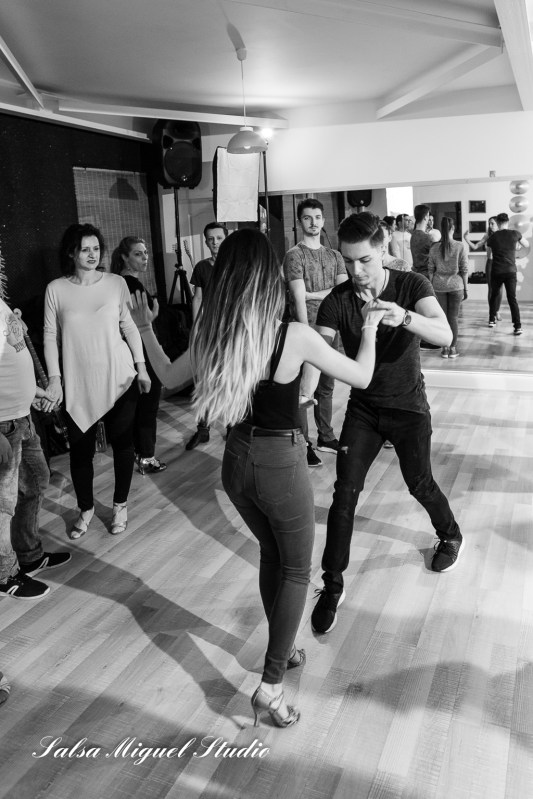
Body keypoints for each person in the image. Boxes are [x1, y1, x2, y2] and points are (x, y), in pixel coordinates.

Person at [127, 228, 384, 728]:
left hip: (236, 462)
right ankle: (271, 685)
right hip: (278, 464)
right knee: (296, 571)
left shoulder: (214, 333)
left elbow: (169, 376)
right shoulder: (293, 335)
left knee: (272, 555)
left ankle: (282, 651)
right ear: (269, 277)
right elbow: (362, 377)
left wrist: (143, 328)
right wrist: (370, 327)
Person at [311, 213, 463, 636]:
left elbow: (445, 335)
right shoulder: (338, 301)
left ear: (382, 251)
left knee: (420, 484)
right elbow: (317, 352)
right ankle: (332, 584)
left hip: (408, 407)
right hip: (364, 410)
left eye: (364, 260)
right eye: (348, 261)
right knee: (345, 493)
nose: (356, 270)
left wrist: (404, 316)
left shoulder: (411, 285)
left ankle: (450, 534)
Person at [43, 223, 151, 539]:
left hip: (119, 376)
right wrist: (55, 379)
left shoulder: (116, 283)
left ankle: (120, 505)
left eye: (96, 248)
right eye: (85, 249)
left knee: (123, 445)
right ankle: (86, 508)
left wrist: (142, 367)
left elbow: (129, 327)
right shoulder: (56, 289)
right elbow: (50, 337)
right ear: (71, 253)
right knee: (80, 452)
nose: (92, 255)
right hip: (79, 382)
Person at [1, 297, 71, 600]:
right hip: (3, 424)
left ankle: (28, 556)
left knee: (37, 480)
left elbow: (9, 359)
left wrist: (32, 392)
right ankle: (4, 574)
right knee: (3, 504)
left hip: (20, 415)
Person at [283, 198, 348, 467]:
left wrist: (313, 294)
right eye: (308, 217)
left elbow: (343, 292)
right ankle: (304, 443)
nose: (313, 222)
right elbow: (298, 298)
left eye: (318, 217)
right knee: (302, 391)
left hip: (331, 328)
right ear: (300, 222)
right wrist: (304, 333)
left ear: (323, 220)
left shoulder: (335, 256)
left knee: (327, 386)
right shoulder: (294, 255)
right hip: (305, 329)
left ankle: (326, 437)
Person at [110, 237, 166, 475]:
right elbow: (137, 322)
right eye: (137, 254)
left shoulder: (118, 283)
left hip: (132, 351)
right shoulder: (130, 283)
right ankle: (146, 456)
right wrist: (149, 321)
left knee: (137, 405)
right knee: (147, 405)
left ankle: (137, 452)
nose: (144, 258)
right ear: (124, 257)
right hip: (142, 350)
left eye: (145, 253)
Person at [185, 222, 229, 451]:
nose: (215, 242)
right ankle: (203, 429)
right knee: (205, 380)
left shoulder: (235, 265)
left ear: (226, 239)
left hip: (231, 330)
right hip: (209, 331)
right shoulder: (202, 267)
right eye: (211, 239)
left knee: (230, 378)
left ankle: (233, 426)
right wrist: (196, 329)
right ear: (206, 242)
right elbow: (198, 298)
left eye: (219, 238)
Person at [428, 217, 469, 358]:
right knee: (453, 318)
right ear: (453, 228)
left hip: (438, 286)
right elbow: (464, 270)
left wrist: (431, 287)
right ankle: (452, 348)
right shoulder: (460, 246)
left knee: (442, 318)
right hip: (456, 286)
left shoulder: (434, 248)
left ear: (441, 229)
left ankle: (444, 348)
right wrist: (466, 288)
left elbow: (430, 270)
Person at [486, 212, 530, 334]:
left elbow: (489, 255)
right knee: (512, 298)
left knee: (494, 295)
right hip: (510, 271)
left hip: (497, 271)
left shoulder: (492, 237)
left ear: (498, 222)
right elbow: (527, 245)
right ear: (508, 221)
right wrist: (516, 248)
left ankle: (491, 320)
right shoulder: (515, 234)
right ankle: (517, 326)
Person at [464, 217, 501, 322]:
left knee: (499, 290)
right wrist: (465, 238)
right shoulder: (487, 235)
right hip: (490, 263)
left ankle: (497, 311)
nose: (490, 225)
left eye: (492, 223)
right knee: (491, 289)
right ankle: (492, 313)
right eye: (489, 223)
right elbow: (475, 246)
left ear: (498, 224)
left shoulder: (502, 234)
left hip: (500, 263)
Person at [410, 204, 433, 280]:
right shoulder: (426, 237)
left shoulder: (413, 235)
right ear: (426, 217)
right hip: (426, 276)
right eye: (428, 216)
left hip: (416, 274)